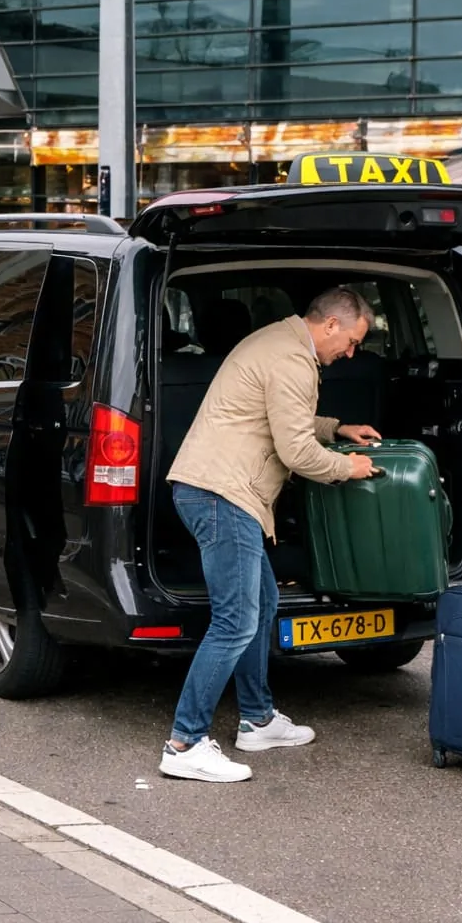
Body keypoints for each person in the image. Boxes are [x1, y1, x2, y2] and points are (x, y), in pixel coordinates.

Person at [160, 286, 382, 783]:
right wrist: (348, 468)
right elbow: (297, 451)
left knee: (261, 606)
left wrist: (337, 428)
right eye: (349, 342)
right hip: (222, 494)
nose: (350, 354)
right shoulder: (292, 360)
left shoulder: (281, 343)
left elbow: (284, 416)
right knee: (236, 621)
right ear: (330, 325)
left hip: (221, 490)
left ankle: (258, 720)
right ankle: (184, 742)